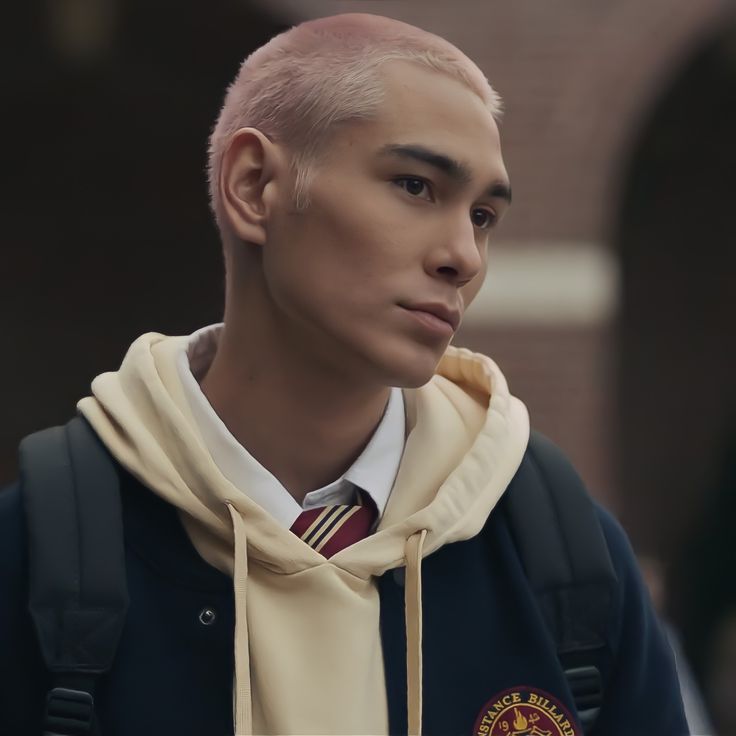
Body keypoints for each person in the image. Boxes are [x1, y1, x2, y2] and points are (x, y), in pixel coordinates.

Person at [0, 13, 689, 736]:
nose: (465, 255)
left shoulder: (566, 558)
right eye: (418, 186)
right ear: (254, 184)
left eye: (484, 215)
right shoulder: (41, 558)